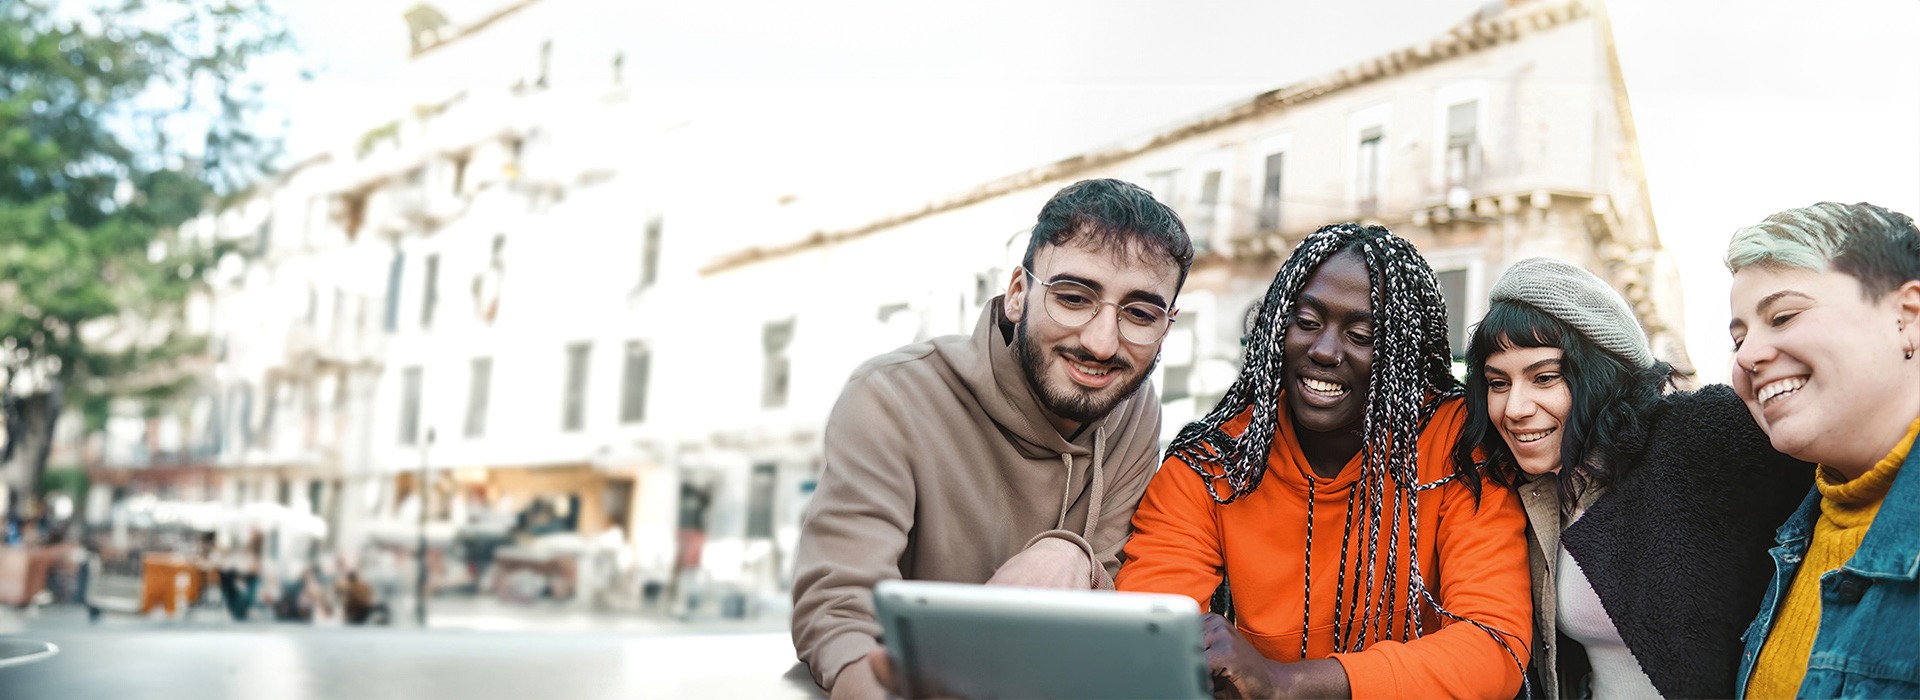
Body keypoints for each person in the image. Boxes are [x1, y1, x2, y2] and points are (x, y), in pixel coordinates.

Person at [790, 178, 1194, 698]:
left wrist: (1070, 553)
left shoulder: (1136, 410)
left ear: (1167, 325)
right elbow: (839, 607)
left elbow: (1111, 589)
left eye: (1140, 313)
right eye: (1073, 298)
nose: (1101, 342)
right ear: (1018, 295)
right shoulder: (891, 396)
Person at [1118, 223, 1531, 699]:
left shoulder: (1456, 446)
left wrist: (1285, 683)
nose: (1323, 350)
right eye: (1307, 322)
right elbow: (1151, 633)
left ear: (1403, 355)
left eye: (1361, 334)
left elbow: (1494, 646)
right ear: (1277, 326)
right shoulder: (1213, 461)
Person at [1453, 257, 1810, 698]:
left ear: (1602, 375)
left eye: (1544, 378)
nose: (1515, 408)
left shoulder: (1700, 438)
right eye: (1498, 383)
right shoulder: (1525, 489)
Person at [1725, 202, 1920, 698]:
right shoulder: (1795, 530)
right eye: (1738, 339)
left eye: (1783, 316)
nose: (1747, 356)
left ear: (1907, 317)